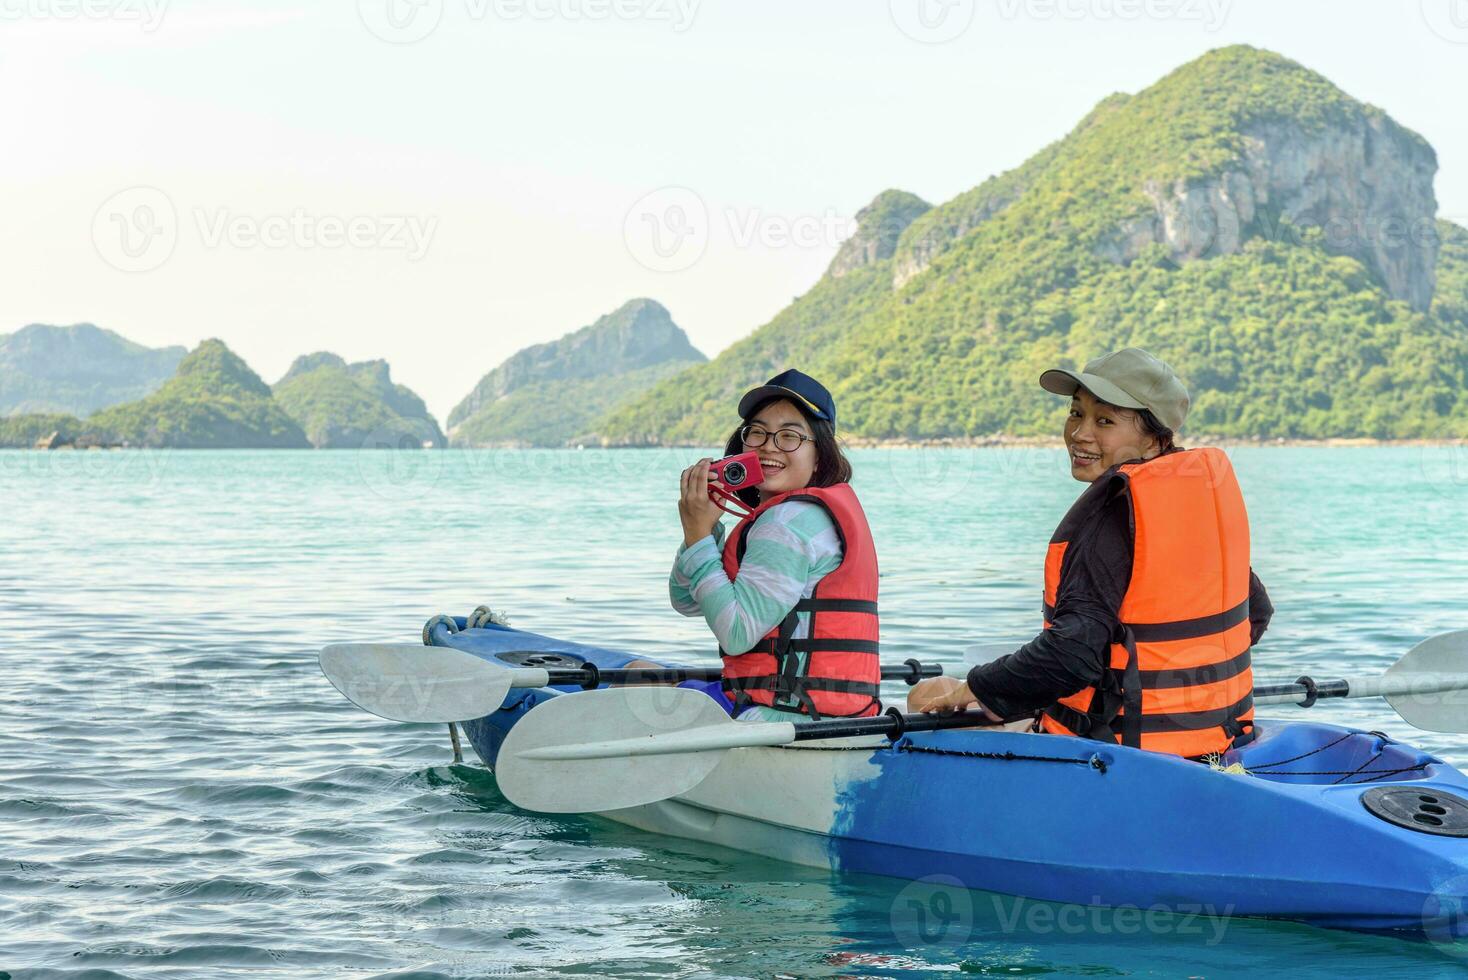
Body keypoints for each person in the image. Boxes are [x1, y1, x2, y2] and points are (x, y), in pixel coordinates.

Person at [912, 348, 1273, 758]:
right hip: (1216, 741)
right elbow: (1255, 613)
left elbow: (1071, 657)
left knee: (927, 694)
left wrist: (975, 686)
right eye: (1075, 413)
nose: (1080, 433)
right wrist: (1173, 688)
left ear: (1154, 439)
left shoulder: (1110, 515)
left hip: (1117, 754)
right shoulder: (1190, 508)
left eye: (1105, 421)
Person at [666, 369, 881, 720]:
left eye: (789, 437)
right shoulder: (788, 516)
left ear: (820, 458)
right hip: (832, 714)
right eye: (757, 433)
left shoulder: (786, 523)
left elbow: (736, 634)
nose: (769, 445)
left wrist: (698, 536)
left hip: (782, 719)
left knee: (634, 689)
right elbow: (687, 601)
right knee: (645, 677)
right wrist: (706, 528)